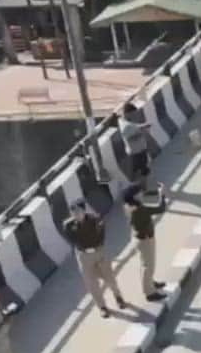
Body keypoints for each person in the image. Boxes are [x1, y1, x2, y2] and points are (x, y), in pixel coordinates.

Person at [63, 201, 127, 317]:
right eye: (73, 212)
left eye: (78, 211)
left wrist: (97, 247)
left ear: (84, 211)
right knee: (91, 283)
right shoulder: (68, 225)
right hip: (83, 255)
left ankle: (118, 297)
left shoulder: (95, 219)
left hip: (98, 252)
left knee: (109, 278)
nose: (75, 215)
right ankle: (102, 307)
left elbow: (102, 234)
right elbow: (72, 240)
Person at [122, 168, 168, 303]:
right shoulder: (140, 209)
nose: (142, 194)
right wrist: (162, 194)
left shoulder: (130, 206)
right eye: (139, 193)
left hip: (142, 236)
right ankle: (149, 292)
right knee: (148, 265)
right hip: (144, 239)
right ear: (134, 196)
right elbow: (160, 208)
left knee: (147, 264)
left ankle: (150, 283)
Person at [118, 103, 151, 178]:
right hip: (136, 153)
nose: (134, 115)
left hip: (140, 151)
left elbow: (134, 128)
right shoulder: (125, 126)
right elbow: (129, 137)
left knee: (145, 170)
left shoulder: (127, 122)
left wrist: (143, 126)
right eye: (133, 114)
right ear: (127, 113)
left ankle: (145, 182)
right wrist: (142, 132)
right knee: (140, 172)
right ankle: (143, 184)